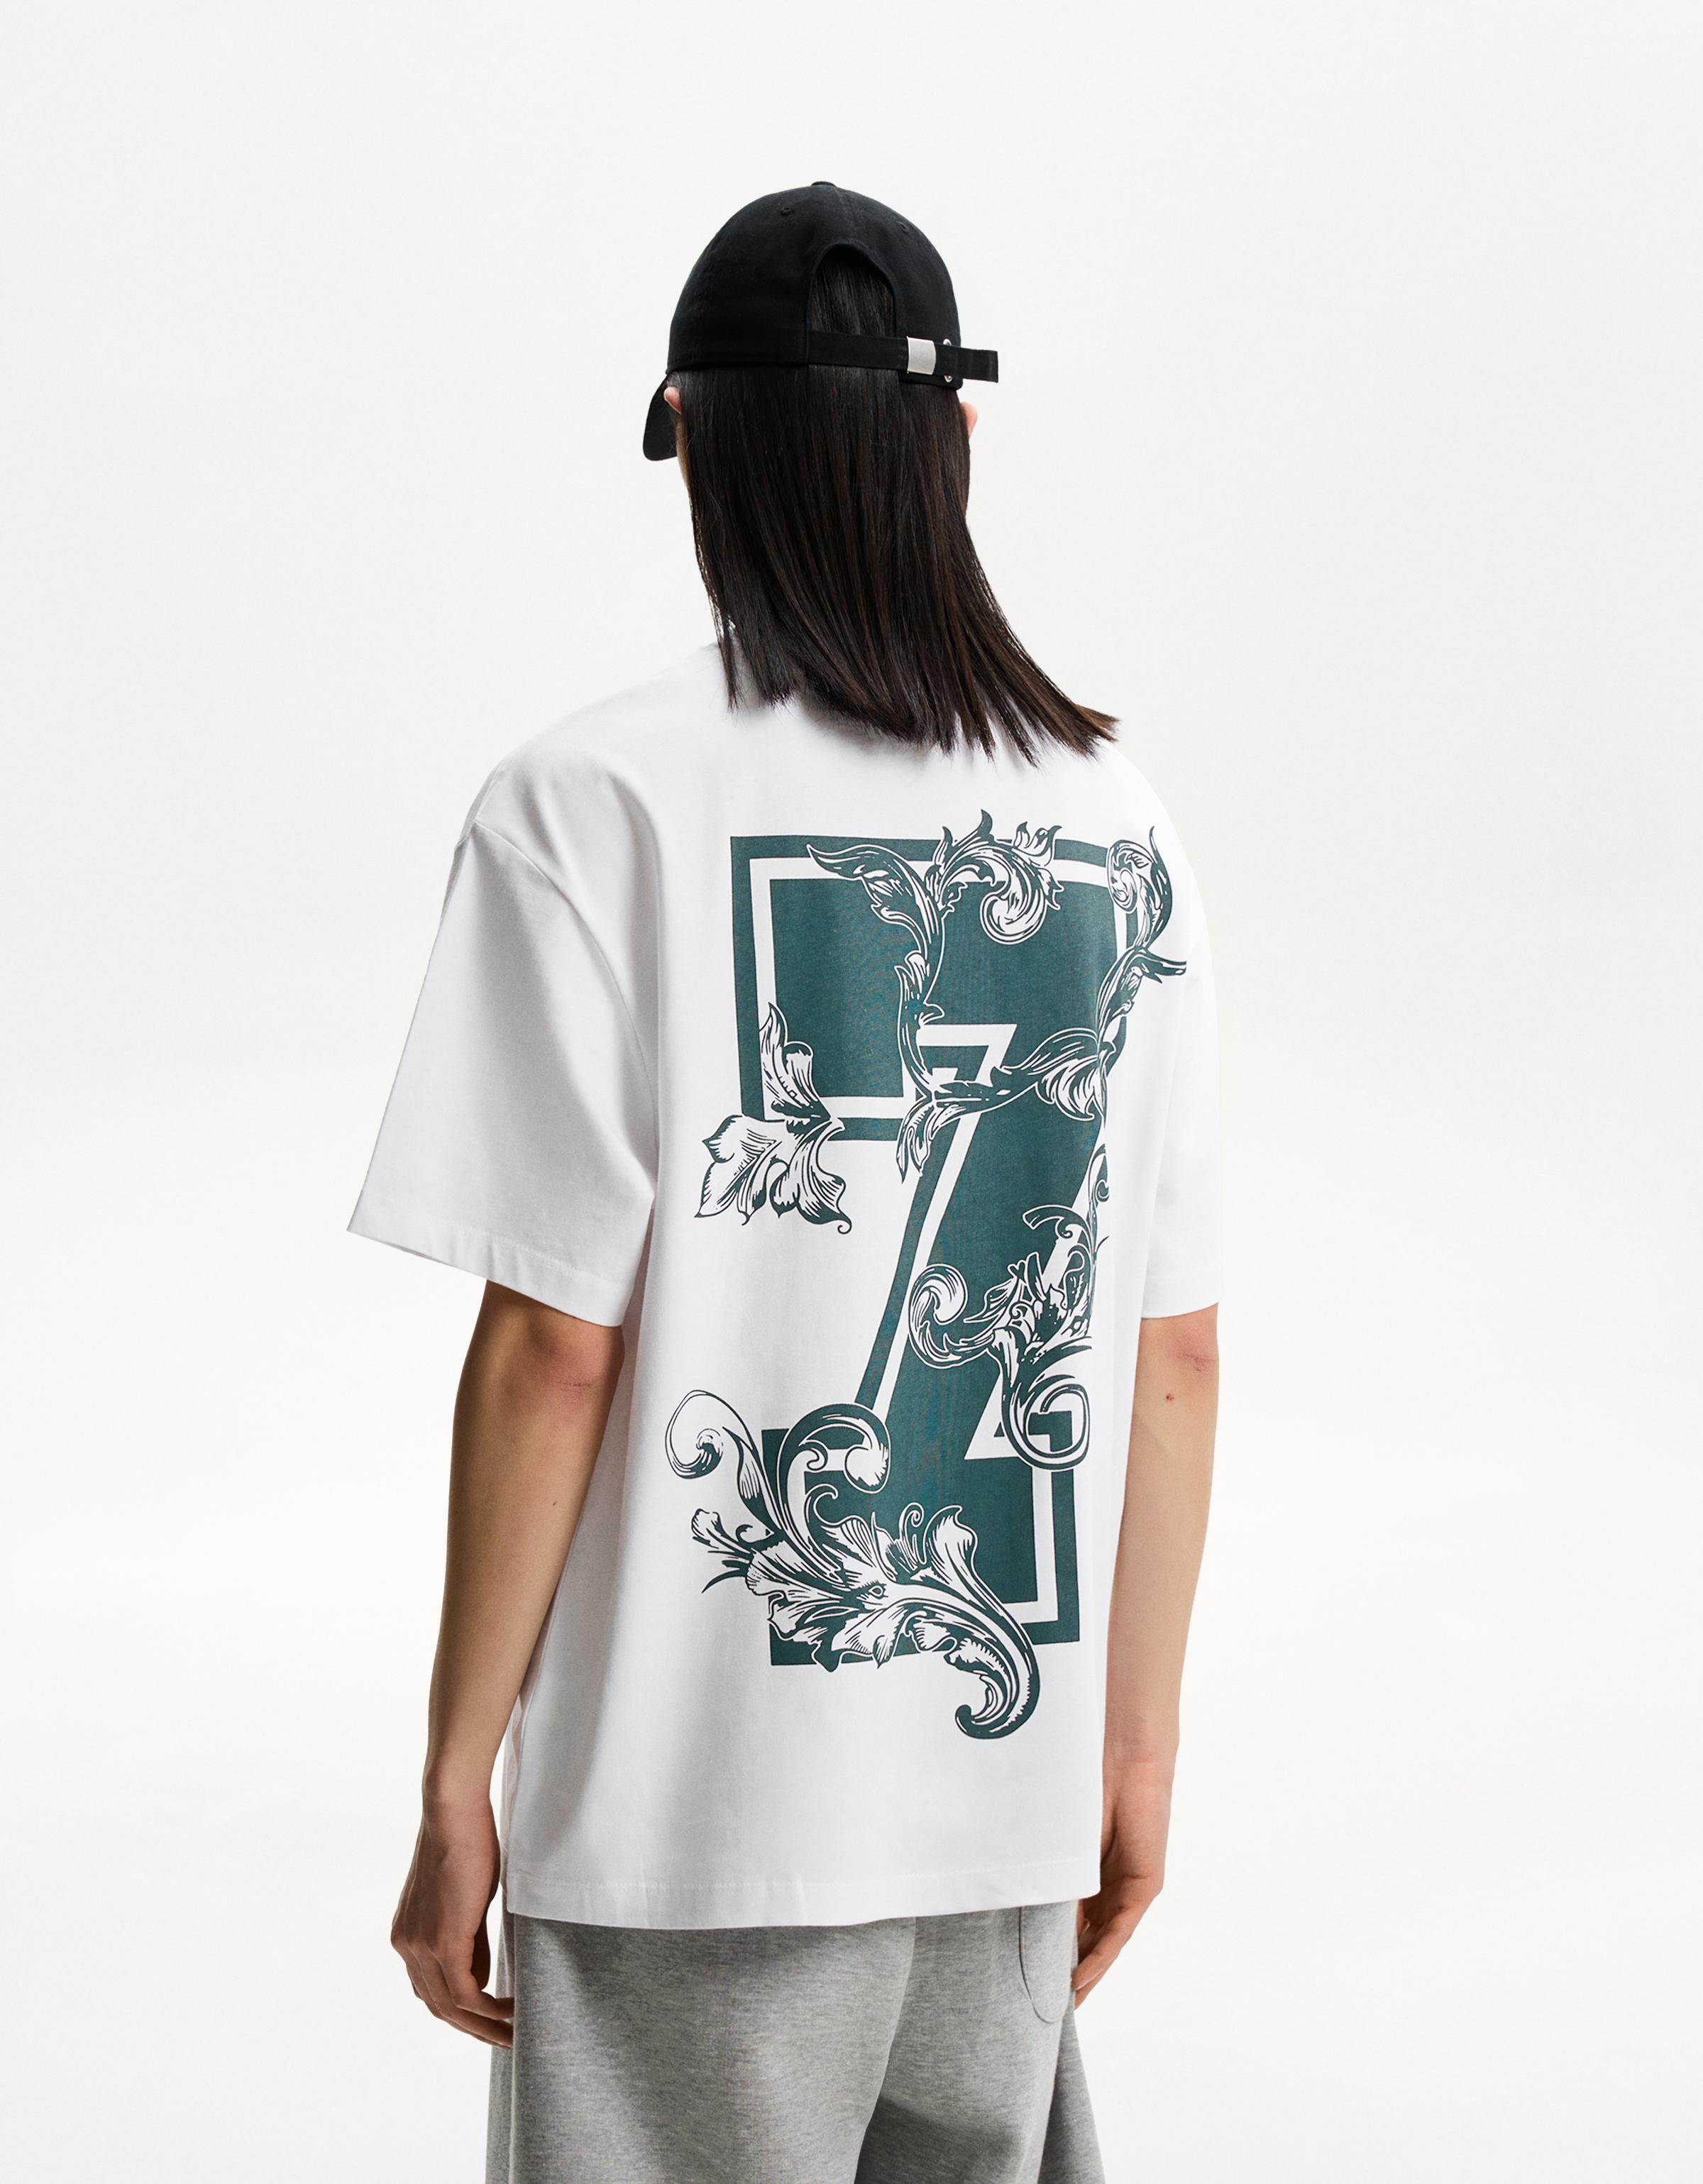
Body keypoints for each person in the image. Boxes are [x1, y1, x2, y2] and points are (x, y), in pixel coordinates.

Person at [351, 181, 1220, 2184]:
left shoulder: (589, 805)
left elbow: (557, 1347)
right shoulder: (1118, 822)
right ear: (960, 439)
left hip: (688, 1826)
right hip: (998, 1808)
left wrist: (458, 1779)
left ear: (691, 437)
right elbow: (1171, 1349)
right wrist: (1132, 1758)